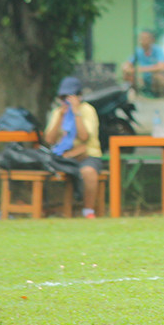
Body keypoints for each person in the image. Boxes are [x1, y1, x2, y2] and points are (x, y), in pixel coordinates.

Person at [44, 76, 103, 219]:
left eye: (70, 97)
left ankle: (88, 211)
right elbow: (49, 140)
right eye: (64, 97)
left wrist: (76, 112)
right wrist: (60, 118)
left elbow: (84, 137)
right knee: (41, 168)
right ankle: (46, 210)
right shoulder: (58, 112)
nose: (67, 101)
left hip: (87, 155)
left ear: (79, 96)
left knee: (88, 172)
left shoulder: (87, 110)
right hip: (63, 156)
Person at [122, 30, 164, 97]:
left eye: (145, 38)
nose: (142, 41)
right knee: (128, 75)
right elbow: (128, 64)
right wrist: (126, 68)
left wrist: (140, 69)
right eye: (141, 38)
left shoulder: (158, 50)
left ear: (151, 40)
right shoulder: (138, 51)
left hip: (155, 80)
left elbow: (162, 67)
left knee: (158, 77)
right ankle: (137, 95)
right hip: (144, 80)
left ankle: (160, 96)